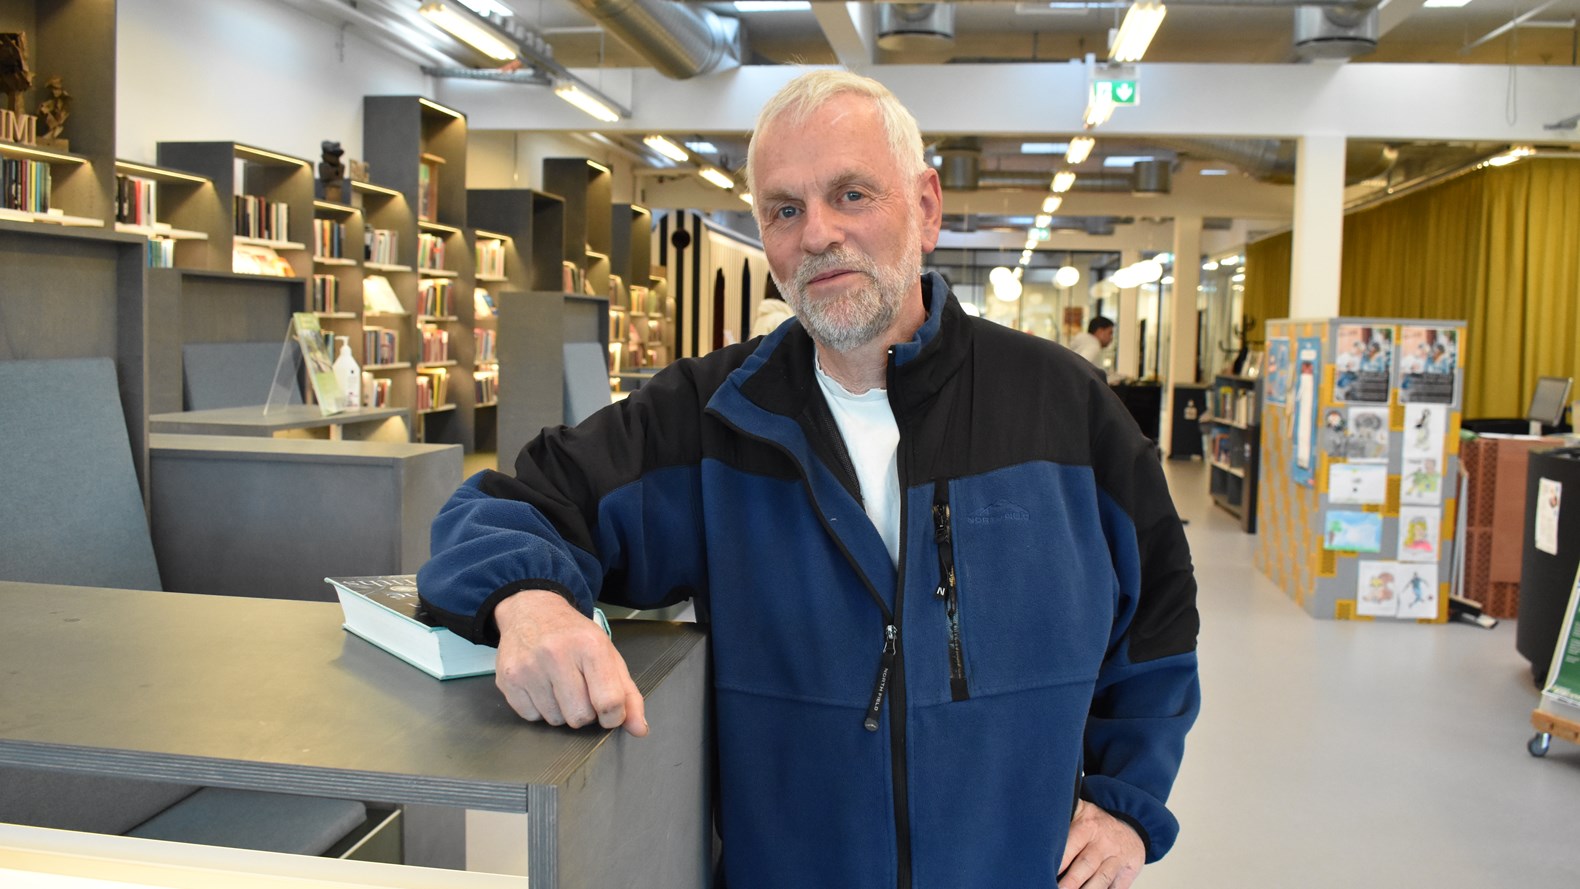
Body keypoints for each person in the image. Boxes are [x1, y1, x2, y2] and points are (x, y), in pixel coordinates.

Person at [417, 70, 1200, 889]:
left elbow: (1160, 613)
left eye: (851, 194)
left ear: (926, 208)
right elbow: (510, 507)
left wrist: (1126, 801)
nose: (817, 233)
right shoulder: (710, 418)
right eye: (785, 210)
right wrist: (532, 604)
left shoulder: (1063, 407)